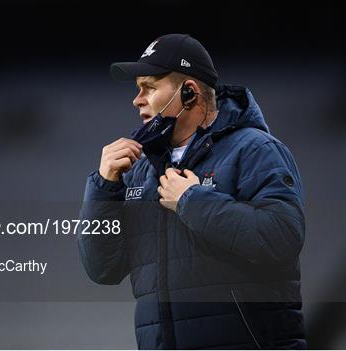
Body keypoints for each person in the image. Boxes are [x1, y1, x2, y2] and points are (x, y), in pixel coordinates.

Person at [78, 33, 307, 349]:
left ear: (189, 92)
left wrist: (192, 201)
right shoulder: (141, 170)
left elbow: (282, 238)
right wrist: (104, 189)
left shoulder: (255, 150)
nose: (137, 99)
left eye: (150, 87)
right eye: (137, 89)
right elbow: (102, 269)